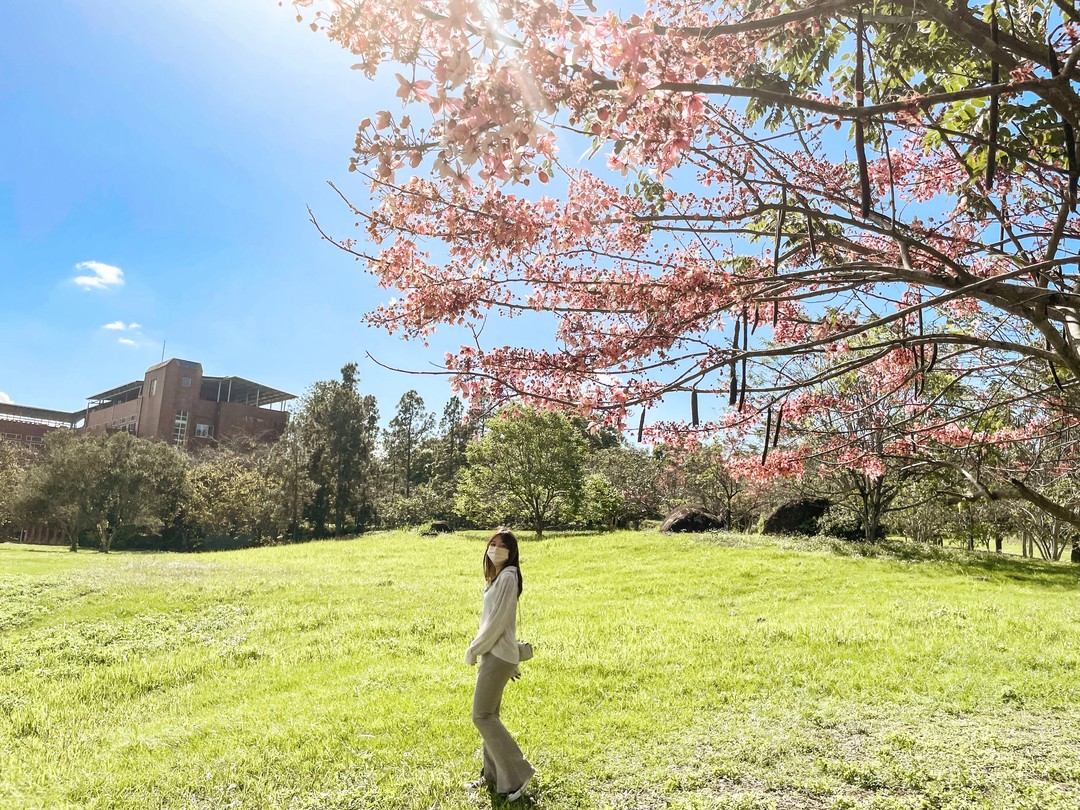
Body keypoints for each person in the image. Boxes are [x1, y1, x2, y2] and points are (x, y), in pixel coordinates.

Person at [464, 528, 536, 800]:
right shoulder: (498, 578)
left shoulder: (508, 576)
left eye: (500, 545)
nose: (494, 549)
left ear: (511, 552)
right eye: (491, 544)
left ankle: (518, 773)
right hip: (497, 654)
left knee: (481, 716)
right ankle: (492, 775)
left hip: (495, 654)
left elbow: (498, 623)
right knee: (489, 717)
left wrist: (475, 648)